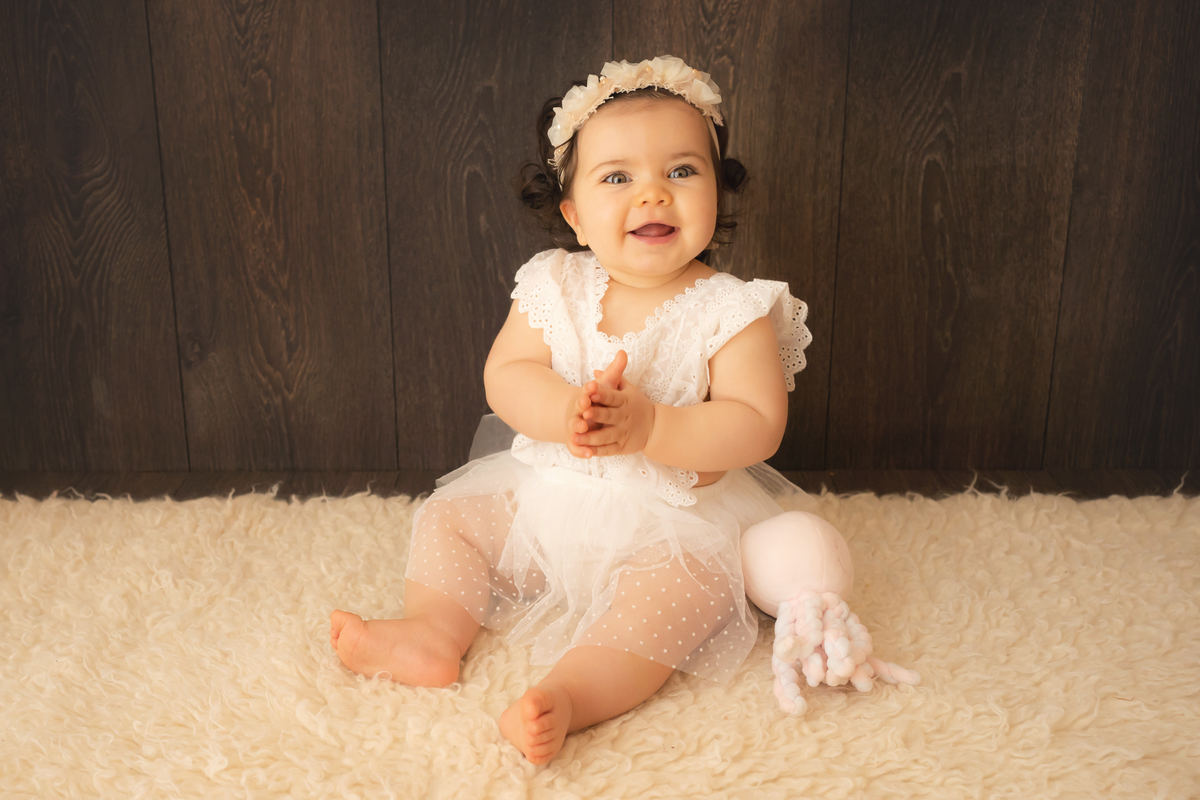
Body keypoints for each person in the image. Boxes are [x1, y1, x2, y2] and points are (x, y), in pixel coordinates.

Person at [330, 55, 813, 764]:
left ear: (719, 190)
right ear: (575, 215)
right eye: (617, 177)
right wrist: (564, 414)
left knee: (685, 594)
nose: (653, 194)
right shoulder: (556, 283)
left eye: (682, 171)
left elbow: (757, 422)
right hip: (547, 503)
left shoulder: (732, 308)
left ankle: (569, 695)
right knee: (450, 519)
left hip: (672, 523)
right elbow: (506, 373)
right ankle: (431, 631)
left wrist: (654, 425)